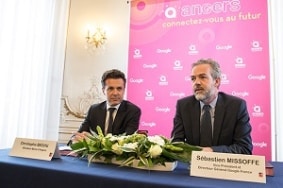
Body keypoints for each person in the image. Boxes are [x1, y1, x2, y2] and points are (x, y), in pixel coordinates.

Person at [171, 58, 253, 154]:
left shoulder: (236, 106)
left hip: (223, 167)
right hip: (192, 165)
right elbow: (176, 144)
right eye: (193, 78)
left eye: (202, 77)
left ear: (216, 81)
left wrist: (212, 151)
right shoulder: (183, 106)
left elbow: (244, 148)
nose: (196, 82)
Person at [69, 69, 141, 144]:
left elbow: (125, 142)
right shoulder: (94, 110)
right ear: (103, 90)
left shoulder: (133, 111)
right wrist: (75, 140)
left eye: (119, 89)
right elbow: (80, 133)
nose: (115, 93)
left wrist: (93, 142)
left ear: (124, 90)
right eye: (111, 88)